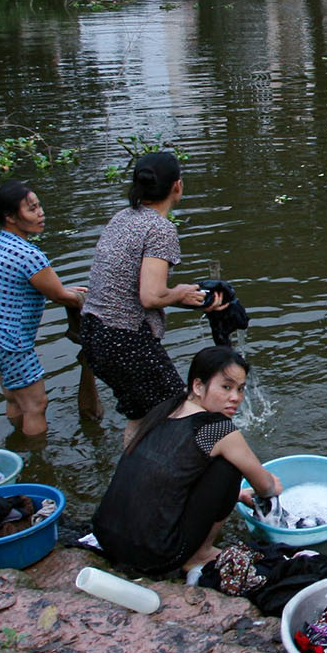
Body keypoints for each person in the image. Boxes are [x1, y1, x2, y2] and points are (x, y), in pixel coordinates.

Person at [92, 345, 281, 578]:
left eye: (240, 389)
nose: (236, 398)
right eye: (226, 387)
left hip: (105, 536)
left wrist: (232, 496)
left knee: (211, 461)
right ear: (198, 386)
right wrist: (273, 483)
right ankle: (199, 554)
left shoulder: (165, 409)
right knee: (230, 466)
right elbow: (265, 487)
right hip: (156, 556)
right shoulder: (216, 428)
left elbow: (169, 477)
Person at [77, 151, 226, 442]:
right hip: (124, 340)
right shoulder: (160, 228)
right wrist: (178, 292)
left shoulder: (122, 217)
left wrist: (179, 298)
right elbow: (150, 296)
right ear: (177, 186)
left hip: (94, 334)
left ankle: (130, 479)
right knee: (183, 411)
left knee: (143, 416)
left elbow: (130, 287)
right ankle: (179, 481)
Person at [0, 181, 87, 439]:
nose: (40, 213)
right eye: (32, 209)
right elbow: (58, 295)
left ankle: (17, 442)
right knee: (36, 405)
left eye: (38, 206)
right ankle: (35, 456)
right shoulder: (28, 254)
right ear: (10, 217)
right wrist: (79, 299)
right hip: (11, 342)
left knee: (15, 399)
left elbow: (26, 285)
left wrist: (65, 290)